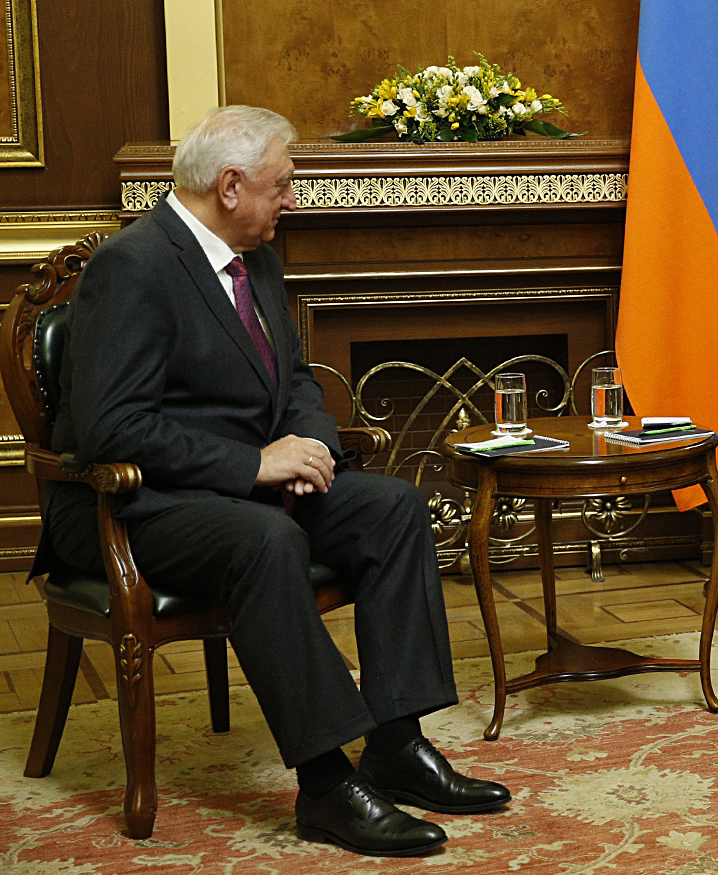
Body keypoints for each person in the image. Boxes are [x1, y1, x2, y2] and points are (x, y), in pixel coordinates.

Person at [38, 106, 510, 855]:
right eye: (282, 185)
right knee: (266, 541)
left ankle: (396, 743)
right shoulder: (133, 266)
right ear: (229, 186)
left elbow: (294, 379)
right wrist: (255, 465)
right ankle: (325, 786)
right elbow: (112, 430)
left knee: (393, 507)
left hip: (239, 492)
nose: (293, 199)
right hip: (133, 504)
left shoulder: (253, 257)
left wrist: (310, 445)